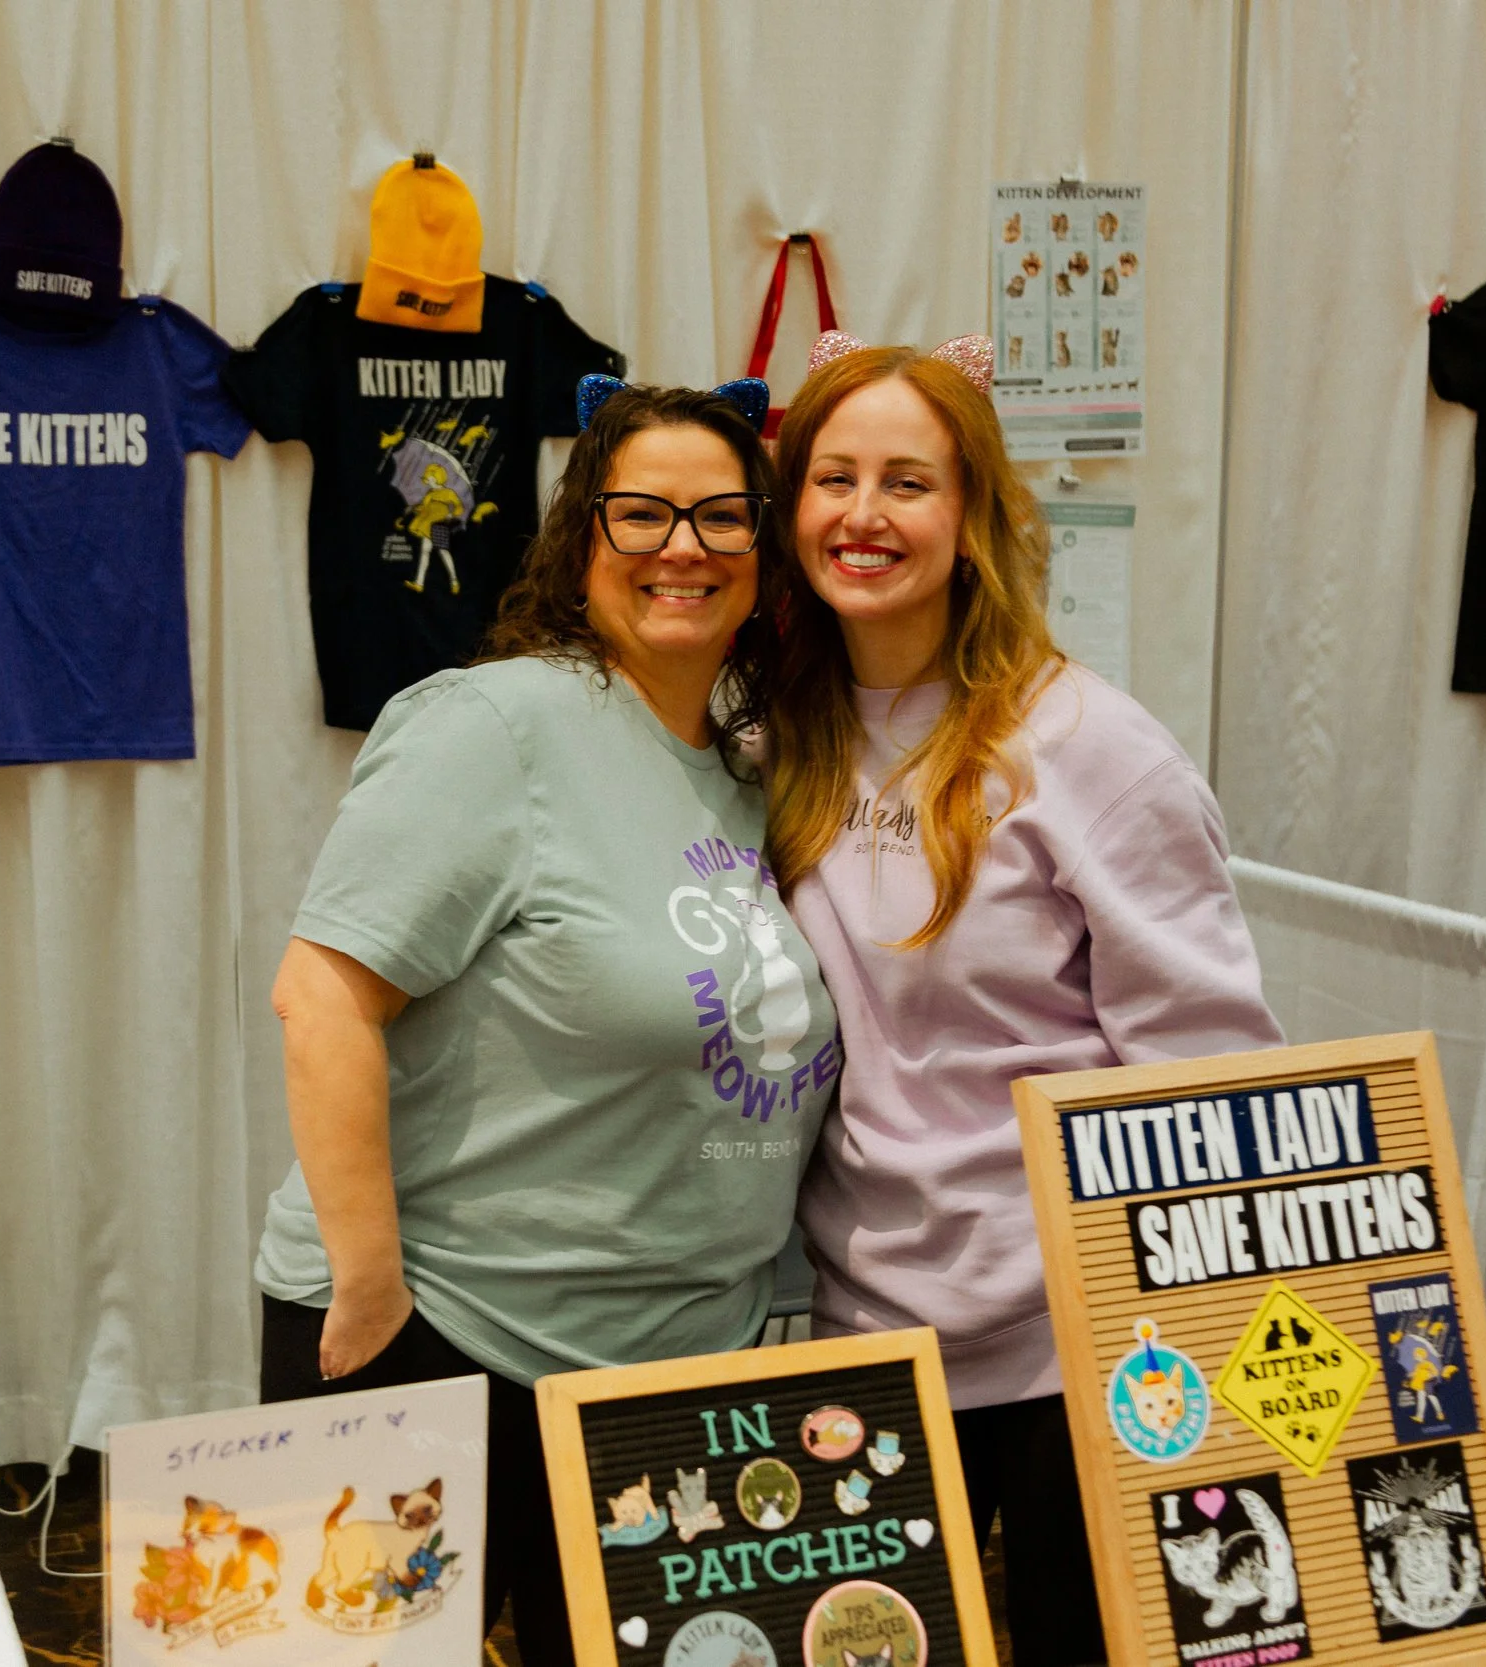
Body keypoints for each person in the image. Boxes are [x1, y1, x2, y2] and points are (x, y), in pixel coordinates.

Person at [255, 379, 842, 1666]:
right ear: (582, 540)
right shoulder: (495, 725)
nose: (682, 546)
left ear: (763, 551)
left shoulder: (753, 768)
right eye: (642, 514)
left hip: (663, 1372)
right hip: (446, 1332)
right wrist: (370, 1288)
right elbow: (324, 992)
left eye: (722, 516)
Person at [763, 333, 1281, 1667]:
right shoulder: (776, 735)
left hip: (1076, 1347)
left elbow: (1210, 1070)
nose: (864, 514)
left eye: (907, 481)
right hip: (861, 1330)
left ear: (974, 512)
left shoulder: (1090, 747)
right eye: (834, 477)